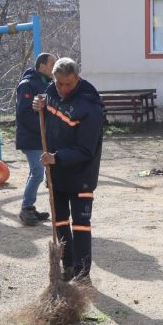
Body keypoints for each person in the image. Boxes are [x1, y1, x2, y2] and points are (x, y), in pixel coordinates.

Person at [31, 57, 104, 281]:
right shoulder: (51, 91)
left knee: (80, 225)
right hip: (56, 174)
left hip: (81, 175)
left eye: (68, 84)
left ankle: (82, 274)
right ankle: (68, 265)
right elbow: (50, 121)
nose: (62, 89)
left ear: (77, 78)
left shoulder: (89, 105)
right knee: (60, 221)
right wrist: (39, 107)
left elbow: (86, 150)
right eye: (59, 83)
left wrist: (57, 157)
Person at [15, 53, 57, 226]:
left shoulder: (48, 84)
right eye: (52, 64)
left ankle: (30, 207)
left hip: (42, 137)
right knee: (38, 172)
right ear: (42, 67)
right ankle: (26, 208)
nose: (55, 67)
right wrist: (44, 130)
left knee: (37, 172)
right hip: (31, 138)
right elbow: (23, 113)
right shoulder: (27, 85)